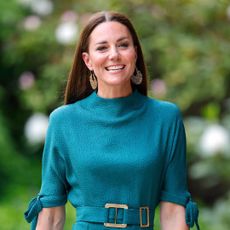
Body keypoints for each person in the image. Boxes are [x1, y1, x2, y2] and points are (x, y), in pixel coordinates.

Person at [24, 11, 200, 230]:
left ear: (135, 53)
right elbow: (50, 214)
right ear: (87, 60)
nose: (114, 55)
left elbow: (174, 211)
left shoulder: (166, 118)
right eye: (102, 47)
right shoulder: (63, 121)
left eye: (123, 45)